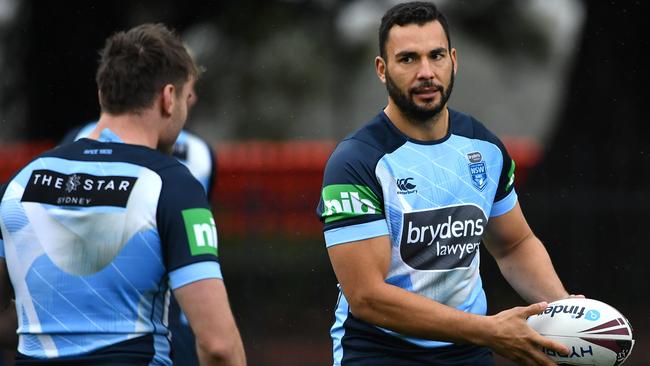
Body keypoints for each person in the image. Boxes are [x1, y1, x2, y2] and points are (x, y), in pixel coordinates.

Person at [317, 2, 576, 365]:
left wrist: (564, 308)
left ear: (453, 60)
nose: (426, 72)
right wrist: (487, 330)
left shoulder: (483, 146)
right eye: (408, 59)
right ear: (382, 69)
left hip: (469, 353)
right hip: (381, 354)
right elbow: (367, 297)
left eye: (436, 56)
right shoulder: (357, 162)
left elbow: (514, 244)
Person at [0, 23, 245, 366]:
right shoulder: (172, 185)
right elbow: (218, 345)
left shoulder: (18, 183)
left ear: (102, 93)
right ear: (168, 98)